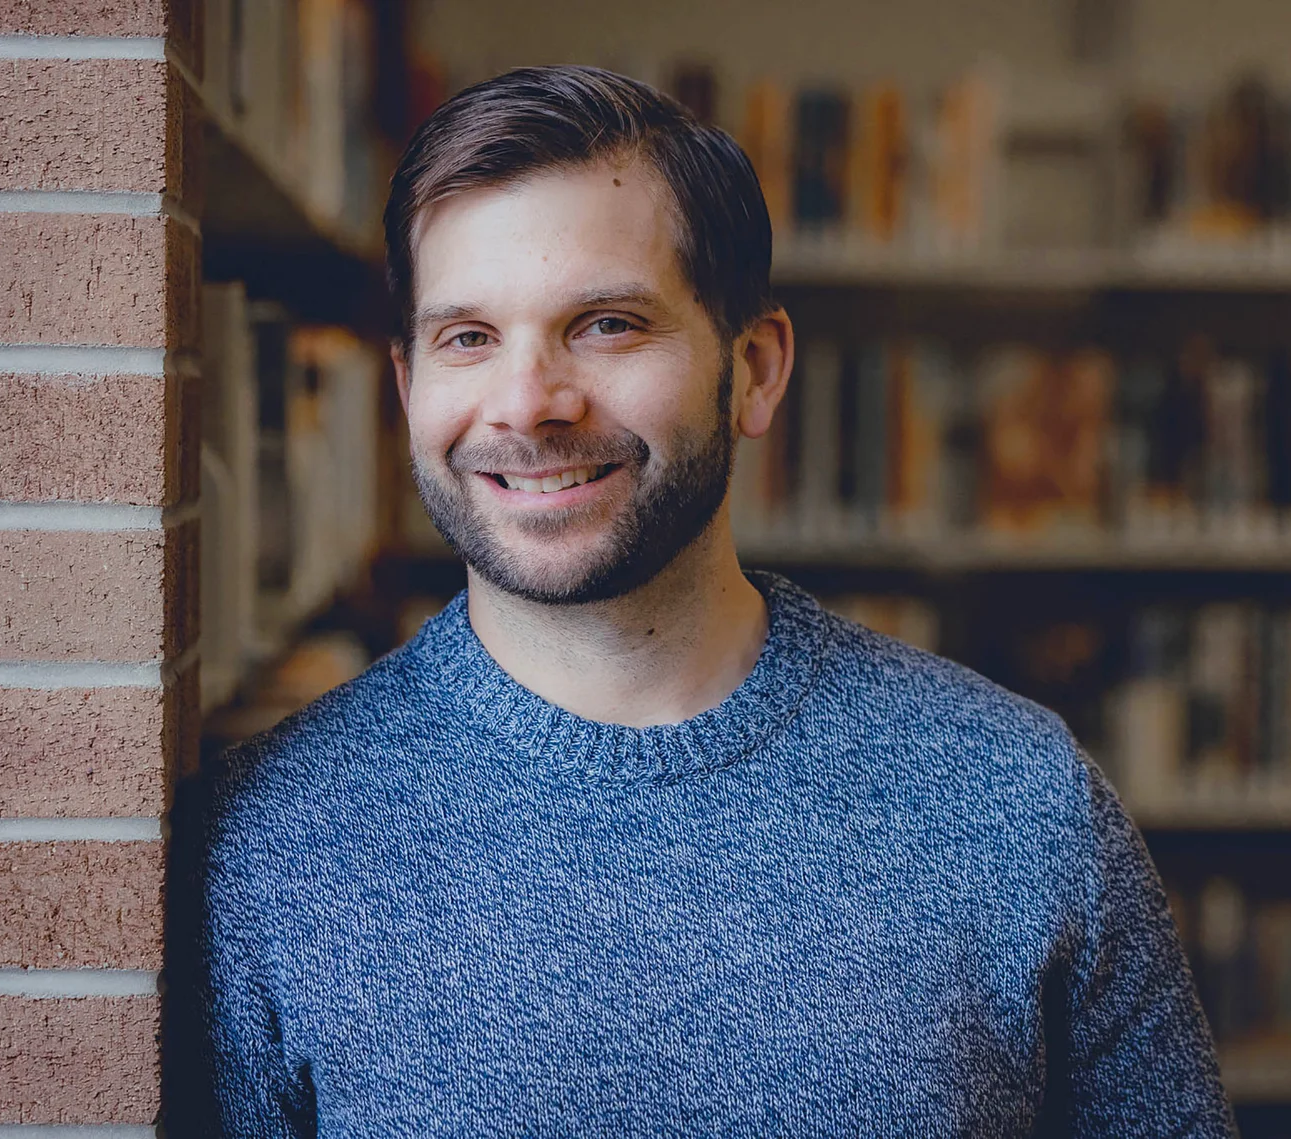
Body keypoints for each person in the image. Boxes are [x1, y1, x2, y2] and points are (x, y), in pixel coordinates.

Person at [192, 64, 1234, 1137]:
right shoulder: (266, 846)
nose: (526, 403)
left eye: (605, 324)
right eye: (468, 337)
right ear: (409, 389)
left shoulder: (1018, 801)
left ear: (756, 369)